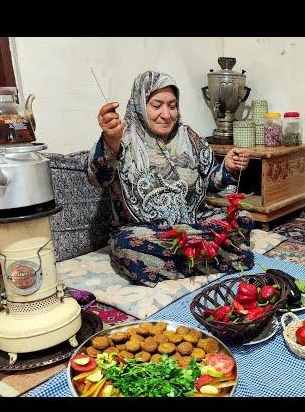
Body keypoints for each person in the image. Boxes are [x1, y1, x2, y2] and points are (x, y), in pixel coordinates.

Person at [87, 70, 253, 286]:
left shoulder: (188, 137)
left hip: (192, 223)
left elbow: (210, 182)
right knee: (131, 247)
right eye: (157, 106)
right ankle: (222, 255)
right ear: (140, 103)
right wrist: (109, 143)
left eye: (172, 106)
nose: (166, 114)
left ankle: (185, 257)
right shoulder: (120, 137)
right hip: (146, 232)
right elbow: (96, 178)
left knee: (243, 218)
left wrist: (227, 168)